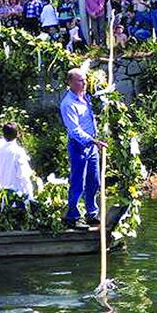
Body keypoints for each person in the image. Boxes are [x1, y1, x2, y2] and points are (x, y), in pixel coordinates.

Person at [60, 69, 105, 229]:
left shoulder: (87, 98)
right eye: (80, 81)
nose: (84, 83)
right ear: (70, 83)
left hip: (92, 146)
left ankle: (91, 213)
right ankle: (72, 216)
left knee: (94, 180)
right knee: (78, 181)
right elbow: (74, 130)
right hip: (79, 145)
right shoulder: (68, 104)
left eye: (84, 80)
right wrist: (93, 141)